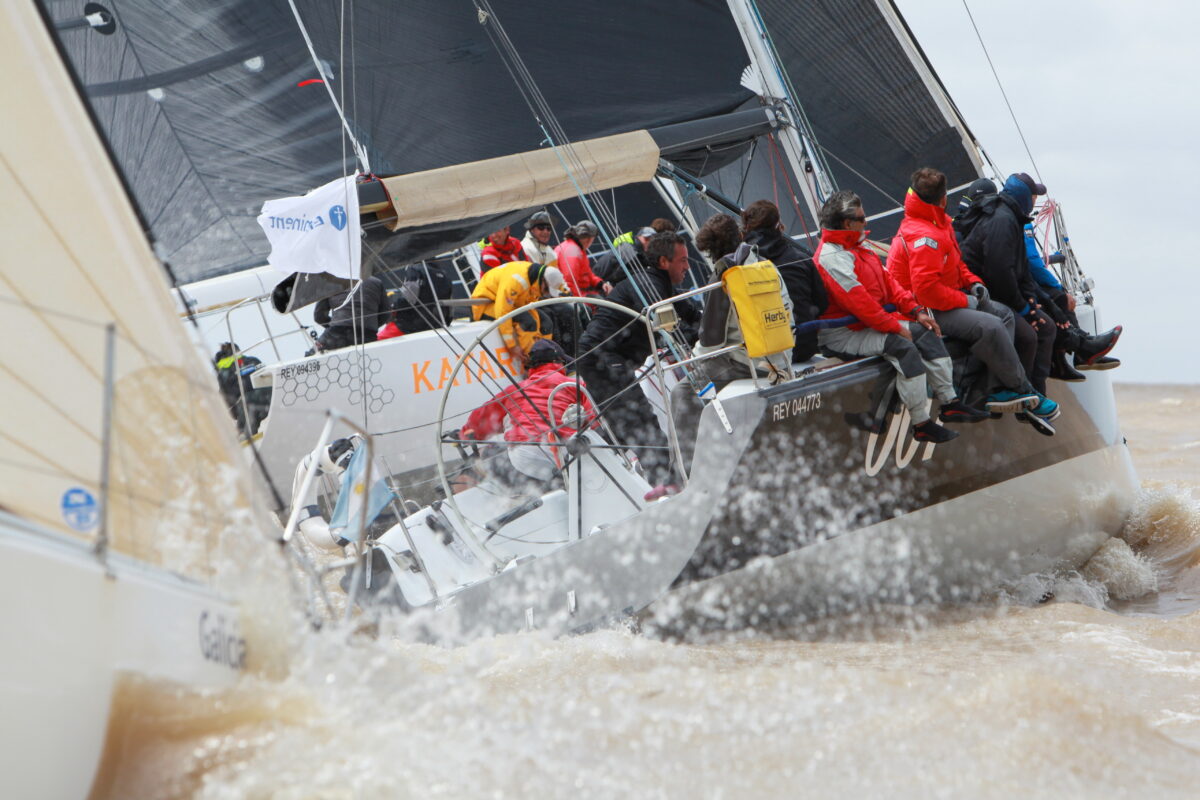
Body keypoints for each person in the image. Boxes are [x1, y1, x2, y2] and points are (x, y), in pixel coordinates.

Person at [891, 167, 1059, 428]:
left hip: (944, 299)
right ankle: (1022, 388)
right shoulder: (924, 235)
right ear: (943, 199)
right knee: (991, 325)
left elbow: (957, 264)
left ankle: (997, 390)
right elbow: (926, 292)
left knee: (1004, 315)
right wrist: (965, 301)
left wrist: (973, 283)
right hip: (921, 309)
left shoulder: (940, 223)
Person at [814, 191, 987, 442]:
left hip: (869, 324)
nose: (866, 222)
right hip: (844, 334)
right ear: (847, 224)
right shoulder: (831, 257)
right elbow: (861, 304)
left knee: (926, 331)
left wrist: (916, 311)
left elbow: (890, 282)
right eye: (862, 219)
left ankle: (951, 403)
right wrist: (895, 328)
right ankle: (921, 423)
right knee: (903, 347)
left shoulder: (858, 245)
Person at [577, 231, 699, 486]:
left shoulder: (660, 285)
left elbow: (689, 314)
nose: (688, 266)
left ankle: (653, 477)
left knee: (626, 424)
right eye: (683, 260)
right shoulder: (648, 284)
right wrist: (690, 337)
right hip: (600, 356)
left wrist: (709, 332)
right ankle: (667, 484)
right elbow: (667, 321)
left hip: (609, 357)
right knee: (640, 419)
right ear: (664, 262)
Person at [956, 172, 1057, 395]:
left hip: (999, 292)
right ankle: (1017, 393)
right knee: (1028, 336)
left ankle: (1036, 393)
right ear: (1024, 196)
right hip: (980, 293)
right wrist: (1023, 308)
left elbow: (1022, 269)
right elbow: (999, 273)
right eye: (1033, 196)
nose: (1035, 201)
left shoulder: (1013, 217)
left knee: (1047, 326)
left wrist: (1030, 303)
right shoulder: (1002, 220)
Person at [461, 340, 596, 487]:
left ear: (530, 367)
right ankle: (562, 485)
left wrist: (463, 435)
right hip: (567, 450)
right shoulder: (575, 385)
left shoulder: (514, 390)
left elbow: (481, 421)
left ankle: (530, 493)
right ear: (560, 362)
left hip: (525, 455)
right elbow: (595, 417)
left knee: (489, 453)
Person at [740, 200, 827, 361]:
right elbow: (822, 303)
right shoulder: (801, 259)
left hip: (769, 354)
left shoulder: (740, 266)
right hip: (805, 346)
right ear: (779, 225)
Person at [470, 260, 567, 368]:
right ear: (543, 281)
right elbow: (502, 311)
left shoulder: (533, 280)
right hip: (486, 305)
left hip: (510, 304)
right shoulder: (516, 281)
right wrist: (512, 345)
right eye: (547, 290)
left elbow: (527, 308)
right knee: (528, 322)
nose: (546, 293)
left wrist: (538, 336)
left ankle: (547, 358)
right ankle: (532, 362)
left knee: (546, 322)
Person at [313, 275, 390, 352]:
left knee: (312, 354)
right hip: (367, 334)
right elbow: (386, 313)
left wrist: (335, 324)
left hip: (336, 334)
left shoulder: (330, 282)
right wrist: (370, 325)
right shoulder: (377, 282)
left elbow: (319, 316)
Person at [213, 342, 271, 436]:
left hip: (250, 405)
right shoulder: (253, 360)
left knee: (245, 402)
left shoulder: (224, 372)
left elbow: (225, 400)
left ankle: (244, 435)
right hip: (271, 398)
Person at [554, 220, 610, 296]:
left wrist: (600, 284)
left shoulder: (577, 248)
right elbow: (569, 282)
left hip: (582, 291)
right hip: (576, 295)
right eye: (586, 237)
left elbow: (587, 273)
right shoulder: (572, 250)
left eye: (590, 238)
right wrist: (580, 301)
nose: (589, 241)